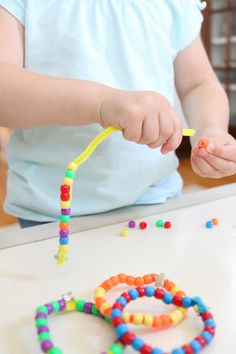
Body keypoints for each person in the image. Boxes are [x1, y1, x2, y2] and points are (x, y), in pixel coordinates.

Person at [0, 0, 235, 228]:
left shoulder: (175, 3)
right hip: (52, 210)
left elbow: (199, 84)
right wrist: (101, 104)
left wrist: (211, 129)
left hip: (156, 198)